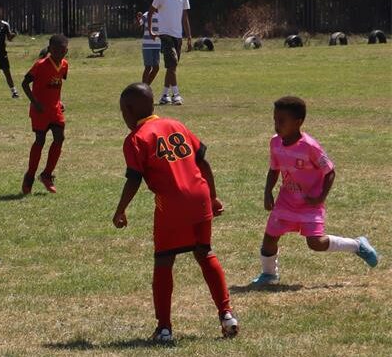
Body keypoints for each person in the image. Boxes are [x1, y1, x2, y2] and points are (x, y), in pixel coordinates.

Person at [113, 82, 237, 341]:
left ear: (129, 109)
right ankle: (227, 316)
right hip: (200, 197)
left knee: (163, 261)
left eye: (123, 112)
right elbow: (202, 160)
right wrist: (213, 197)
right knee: (205, 252)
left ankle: (165, 328)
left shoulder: (136, 138)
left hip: (172, 204)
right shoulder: (177, 125)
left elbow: (133, 179)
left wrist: (121, 209)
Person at [251, 96, 378, 286]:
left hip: (310, 202)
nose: (276, 125)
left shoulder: (310, 146)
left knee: (316, 243)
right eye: (275, 120)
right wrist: (268, 192)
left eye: (282, 121)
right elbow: (274, 168)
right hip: (286, 200)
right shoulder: (275, 142)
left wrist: (320, 197)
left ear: (298, 122)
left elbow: (330, 171)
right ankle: (269, 274)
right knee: (270, 237)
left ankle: (357, 245)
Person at [21, 34, 69, 195]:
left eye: (62, 51)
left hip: (54, 110)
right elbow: (24, 83)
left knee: (59, 138)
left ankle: (47, 175)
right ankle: (29, 176)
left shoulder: (64, 65)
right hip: (40, 111)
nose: (58, 54)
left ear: (66, 51)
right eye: (55, 50)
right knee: (40, 141)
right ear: (49, 49)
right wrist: (35, 103)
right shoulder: (40, 65)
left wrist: (59, 101)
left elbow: (57, 85)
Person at [148, 0, 192, 105]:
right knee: (172, 64)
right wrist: (151, 31)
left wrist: (189, 36)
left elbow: (185, 18)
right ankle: (176, 94)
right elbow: (150, 13)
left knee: (172, 67)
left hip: (178, 36)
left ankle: (164, 95)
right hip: (165, 35)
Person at [137, 10, 161, 85]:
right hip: (147, 45)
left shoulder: (161, 15)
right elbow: (140, 23)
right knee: (148, 67)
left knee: (156, 68)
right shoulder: (147, 14)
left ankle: (146, 86)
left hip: (157, 45)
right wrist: (139, 19)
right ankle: (143, 89)